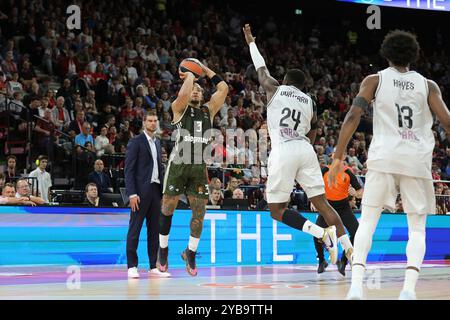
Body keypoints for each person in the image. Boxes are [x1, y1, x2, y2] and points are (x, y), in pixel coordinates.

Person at [328, 30, 450, 300]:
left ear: (386, 53)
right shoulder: (428, 85)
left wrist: (338, 156)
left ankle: (356, 287)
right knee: (416, 227)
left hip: (383, 157)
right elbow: (448, 122)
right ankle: (408, 289)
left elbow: (352, 116)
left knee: (368, 222)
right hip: (416, 160)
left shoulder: (375, 80)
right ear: (414, 55)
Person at [243, 24, 353, 265]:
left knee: (276, 210)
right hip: (305, 149)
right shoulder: (310, 101)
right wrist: (306, 147)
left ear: (285, 80)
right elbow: (314, 129)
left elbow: (261, 69)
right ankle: (349, 249)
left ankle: (321, 234)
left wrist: (251, 42)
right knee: (323, 205)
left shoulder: (275, 89)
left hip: (284, 149)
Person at [157, 59, 229, 276]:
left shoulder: (209, 110)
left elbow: (223, 88)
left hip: (198, 167)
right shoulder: (178, 108)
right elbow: (182, 96)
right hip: (178, 165)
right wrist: (189, 75)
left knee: (199, 213)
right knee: (168, 207)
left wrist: (203, 69)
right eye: (193, 90)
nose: (196, 91)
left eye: (199, 89)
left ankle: (190, 252)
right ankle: (163, 249)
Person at [124, 112, 167, 279]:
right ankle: (132, 265)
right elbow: (129, 170)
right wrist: (132, 193)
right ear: (144, 123)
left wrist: (163, 192)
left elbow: (159, 168)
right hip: (140, 192)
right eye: (150, 121)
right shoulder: (136, 142)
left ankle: (153, 266)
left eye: (155, 121)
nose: (153, 123)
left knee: (154, 229)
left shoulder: (157, 142)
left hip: (156, 190)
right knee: (135, 228)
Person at [313, 160, 363, 275]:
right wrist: (314, 200)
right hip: (327, 207)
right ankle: (321, 260)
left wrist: (355, 193)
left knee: (356, 232)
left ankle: (344, 261)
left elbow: (360, 191)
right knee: (317, 233)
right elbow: (315, 186)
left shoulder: (348, 172)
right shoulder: (325, 170)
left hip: (344, 207)